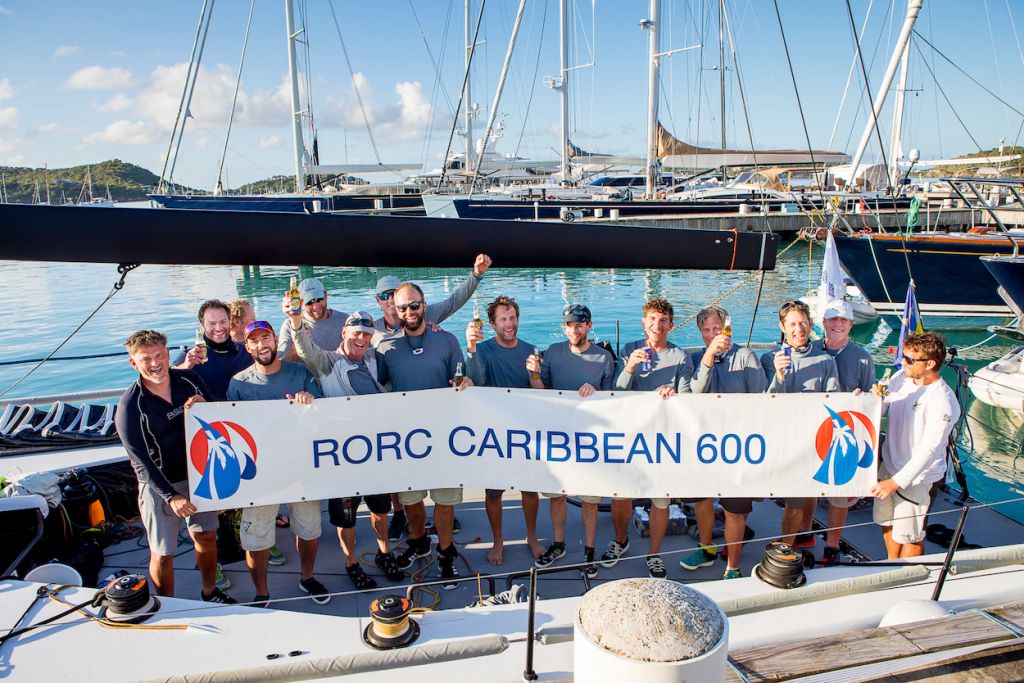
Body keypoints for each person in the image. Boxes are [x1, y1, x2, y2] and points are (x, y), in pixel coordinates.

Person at [288, 307, 404, 589]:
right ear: (344, 333)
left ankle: (384, 553)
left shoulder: (375, 359)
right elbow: (303, 345)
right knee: (346, 517)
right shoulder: (326, 362)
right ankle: (351, 562)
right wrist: (295, 321)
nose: (362, 339)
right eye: (356, 334)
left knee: (380, 508)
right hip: (341, 456)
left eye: (367, 334)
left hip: (374, 452)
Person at [115, 330, 234, 603]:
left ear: (168, 354)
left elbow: (220, 416)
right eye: (146, 359)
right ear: (134, 363)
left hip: (200, 475)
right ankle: (165, 603)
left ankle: (210, 591)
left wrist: (206, 406)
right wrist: (171, 496)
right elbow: (140, 461)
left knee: (206, 537)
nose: (155, 363)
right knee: (163, 551)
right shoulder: (131, 406)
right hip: (160, 485)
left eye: (159, 355)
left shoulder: (189, 380)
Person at [375, 282, 473, 589]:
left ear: (424, 305)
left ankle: (446, 553)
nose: (409, 312)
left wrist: (466, 382)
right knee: (411, 498)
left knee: (444, 500)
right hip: (407, 439)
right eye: (402, 307)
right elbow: (374, 390)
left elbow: (461, 379)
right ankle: (418, 543)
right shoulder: (385, 348)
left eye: (414, 305)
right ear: (395, 309)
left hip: (443, 435)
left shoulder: (446, 340)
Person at [226, 320, 331, 606]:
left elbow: (320, 413)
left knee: (309, 530)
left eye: (266, 338)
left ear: (275, 340)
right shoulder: (238, 383)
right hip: (259, 474)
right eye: (255, 341)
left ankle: (307, 577)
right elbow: (231, 429)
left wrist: (309, 400)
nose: (262, 345)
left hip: (300, 467)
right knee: (255, 540)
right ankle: (261, 592)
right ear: (247, 346)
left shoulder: (300, 372)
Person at [526, 304, 614, 579]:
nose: (574, 330)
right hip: (560, 434)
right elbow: (542, 391)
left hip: (591, 438)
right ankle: (559, 544)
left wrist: (596, 392)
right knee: (558, 494)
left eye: (580, 324)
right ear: (564, 327)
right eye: (569, 325)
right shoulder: (553, 352)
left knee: (589, 497)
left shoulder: (604, 357)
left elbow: (614, 399)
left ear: (589, 326)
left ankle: (589, 552)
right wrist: (533, 374)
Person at [609, 297, 694, 578]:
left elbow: (688, 398)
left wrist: (674, 394)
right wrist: (629, 367)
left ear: (670, 325)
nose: (657, 325)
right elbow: (616, 393)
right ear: (644, 323)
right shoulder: (628, 349)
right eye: (652, 320)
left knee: (661, 499)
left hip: (663, 438)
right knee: (620, 493)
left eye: (663, 321)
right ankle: (620, 541)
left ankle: (654, 554)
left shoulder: (681, 356)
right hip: (631, 433)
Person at [682, 305, 768, 579]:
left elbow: (762, 400)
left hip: (737, 446)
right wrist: (709, 355)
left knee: (734, 510)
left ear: (726, 328)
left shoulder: (746, 356)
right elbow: (694, 393)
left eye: (716, 329)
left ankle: (733, 565)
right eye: (706, 330)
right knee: (702, 500)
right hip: (703, 444)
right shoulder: (694, 357)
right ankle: (706, 549)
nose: (712, 334)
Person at [465, 295, 544, 565]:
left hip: (524, 431)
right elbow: (474, 381)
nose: (509, 324)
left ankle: (531, 536)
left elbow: (541, 393)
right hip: (494, 432)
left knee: (530, 489)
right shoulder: (483, 350)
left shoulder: (531, 349)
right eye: (503, 319)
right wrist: (471, 348)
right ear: (492, 323)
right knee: (494, 492)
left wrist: (535, 374)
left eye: (512, 318)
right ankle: (498, 540)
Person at [871, 331, 959, 559]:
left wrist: (896, 482)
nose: (903, 362)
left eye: (910, 359)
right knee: (887, 521)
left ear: (930, 363)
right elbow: (884, 406)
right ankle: (891, 565)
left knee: (911, 534)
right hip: (889, 465)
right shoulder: (901, 377)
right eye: (904, 355)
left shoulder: (943, 401)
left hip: (918, 478)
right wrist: (873, 402)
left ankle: (908, 578)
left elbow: (930, 450)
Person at [759, 300, 840, 545]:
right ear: (782, 326)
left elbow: (834, 401)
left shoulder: (826, 361)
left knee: (795, 503)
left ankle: (786, 546)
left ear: (811, 324)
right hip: (775, 442)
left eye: (803, 323)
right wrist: (779, 375)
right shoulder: (767, 359)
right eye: (792, 324)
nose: (799, 329)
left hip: (807, 444)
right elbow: (764, 404)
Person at [817, 299, 876, 565]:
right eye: (833, 319)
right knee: (804, 491)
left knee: (838, 498)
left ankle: (831, 544)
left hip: (843, 435)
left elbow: (867, 398)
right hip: (811, 430)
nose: (838, 324)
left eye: (843, 320)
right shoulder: (811, 350)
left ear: (851, 324)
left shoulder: (863, 357)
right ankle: (802, 536)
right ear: (824, 323)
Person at [372, 254, 493, 339]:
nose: (390, 299)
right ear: (378, 300)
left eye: (393, 294)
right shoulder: (372, 330)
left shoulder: (422, 314)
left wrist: (476, 275)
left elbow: (453, 302)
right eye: (384, 296)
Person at [174, 299, 253, 400]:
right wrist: (185, 367)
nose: (218, 328)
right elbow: (166, 380)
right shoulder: (189, 356)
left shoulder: (248, 352)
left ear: (230, 322)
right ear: (202, 325)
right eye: (212, 323)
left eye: (223, 322)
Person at [277, 278, 347, 360]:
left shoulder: (345, 321)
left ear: (325, 296)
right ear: (301, 303)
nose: (315, 306)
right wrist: (299, 342)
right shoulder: (290, 325)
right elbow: (280, 362)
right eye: (309, 302)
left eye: (318, 299)